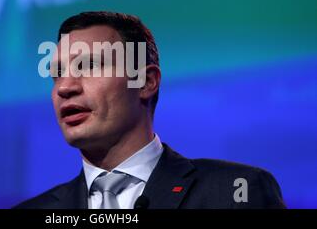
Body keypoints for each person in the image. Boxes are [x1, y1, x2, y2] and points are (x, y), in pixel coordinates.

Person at [15, 11, 286, 209]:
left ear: (146, 82)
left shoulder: (234, 193)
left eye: (87, 66)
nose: (65, 88)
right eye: (57, 75)